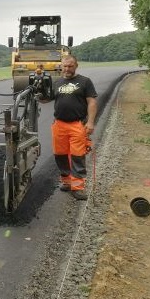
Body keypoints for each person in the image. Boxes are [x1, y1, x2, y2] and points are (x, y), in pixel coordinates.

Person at [40, 55, 97, 200]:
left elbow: (91, 102)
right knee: (60, 155)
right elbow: (46, 99)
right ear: (61, 66)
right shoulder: (57, 82)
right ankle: (66, 182)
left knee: (77, 156)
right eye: (64, 66)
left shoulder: (84, 82)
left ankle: (77, 187)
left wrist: (90, 122)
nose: (67, 69)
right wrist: (38, 92)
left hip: (77, 124)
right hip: (59, 125)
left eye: (70, 66)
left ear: (76, 66)